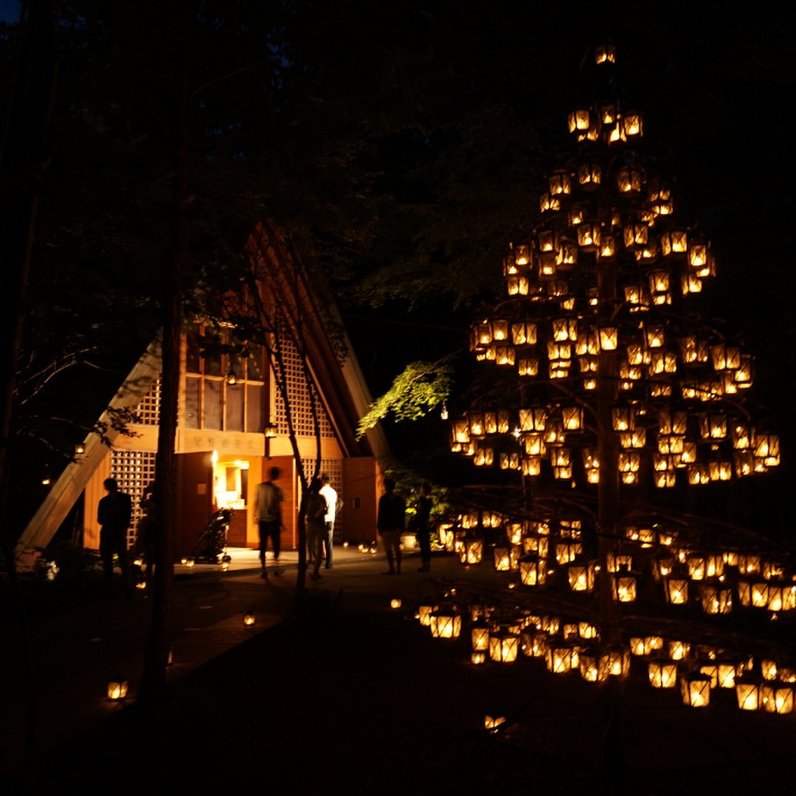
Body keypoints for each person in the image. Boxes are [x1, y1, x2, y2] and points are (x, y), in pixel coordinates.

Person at [97, 477, 133, 596]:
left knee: (114, 561)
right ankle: (123, 588)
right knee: (119, 560)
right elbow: (127, 517)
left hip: (113, 532)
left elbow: (100, 520)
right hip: (115, 532)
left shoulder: (105, 501)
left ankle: (118, 589)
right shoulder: (124, 498)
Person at [255, 466, 284, 579]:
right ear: (277, 475)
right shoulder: (278, 489)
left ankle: (263, 570)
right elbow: (279, 507)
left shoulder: (260, 487)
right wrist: (281, 522)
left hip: (262, 520)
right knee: (276, 545)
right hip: (274, 521)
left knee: (262, 545)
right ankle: (276, 568)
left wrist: (255, 515)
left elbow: (256, 502)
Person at [377, 475, 405, 575]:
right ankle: (398, 568)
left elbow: (381, 514)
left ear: (386, 487)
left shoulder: (383, 499)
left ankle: (392, 568)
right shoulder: (399, 499)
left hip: (386, 526)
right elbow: (402, 514)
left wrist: (379, 527)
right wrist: (402, 526)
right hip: (396, 526)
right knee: (397, 548)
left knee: (388, 549)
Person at [305, 477, 328, 581]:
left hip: (311, 525)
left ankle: (314, 569)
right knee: (319, 550)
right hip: (319, 525)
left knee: (313, 548)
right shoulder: (321, 498)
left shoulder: (308, 497)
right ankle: (316, 570)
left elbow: (305, 511)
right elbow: (325, 511)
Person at [318, 472, 340, 570]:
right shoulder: (333, 492)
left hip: (322, 519)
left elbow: (321, 506)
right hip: (331, 518)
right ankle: (329, 563)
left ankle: (319, 562)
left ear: (323, 480)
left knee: (319, 541)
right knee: (329, 542)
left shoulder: (321, 492)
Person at [414, 481, 433, 572]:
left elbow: (420, 512)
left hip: (422, 524)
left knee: (424, 545)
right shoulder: (429, 500)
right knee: (426, 545)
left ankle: (425, 565)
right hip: (426, 523)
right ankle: (427, 565)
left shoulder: (422, 500)